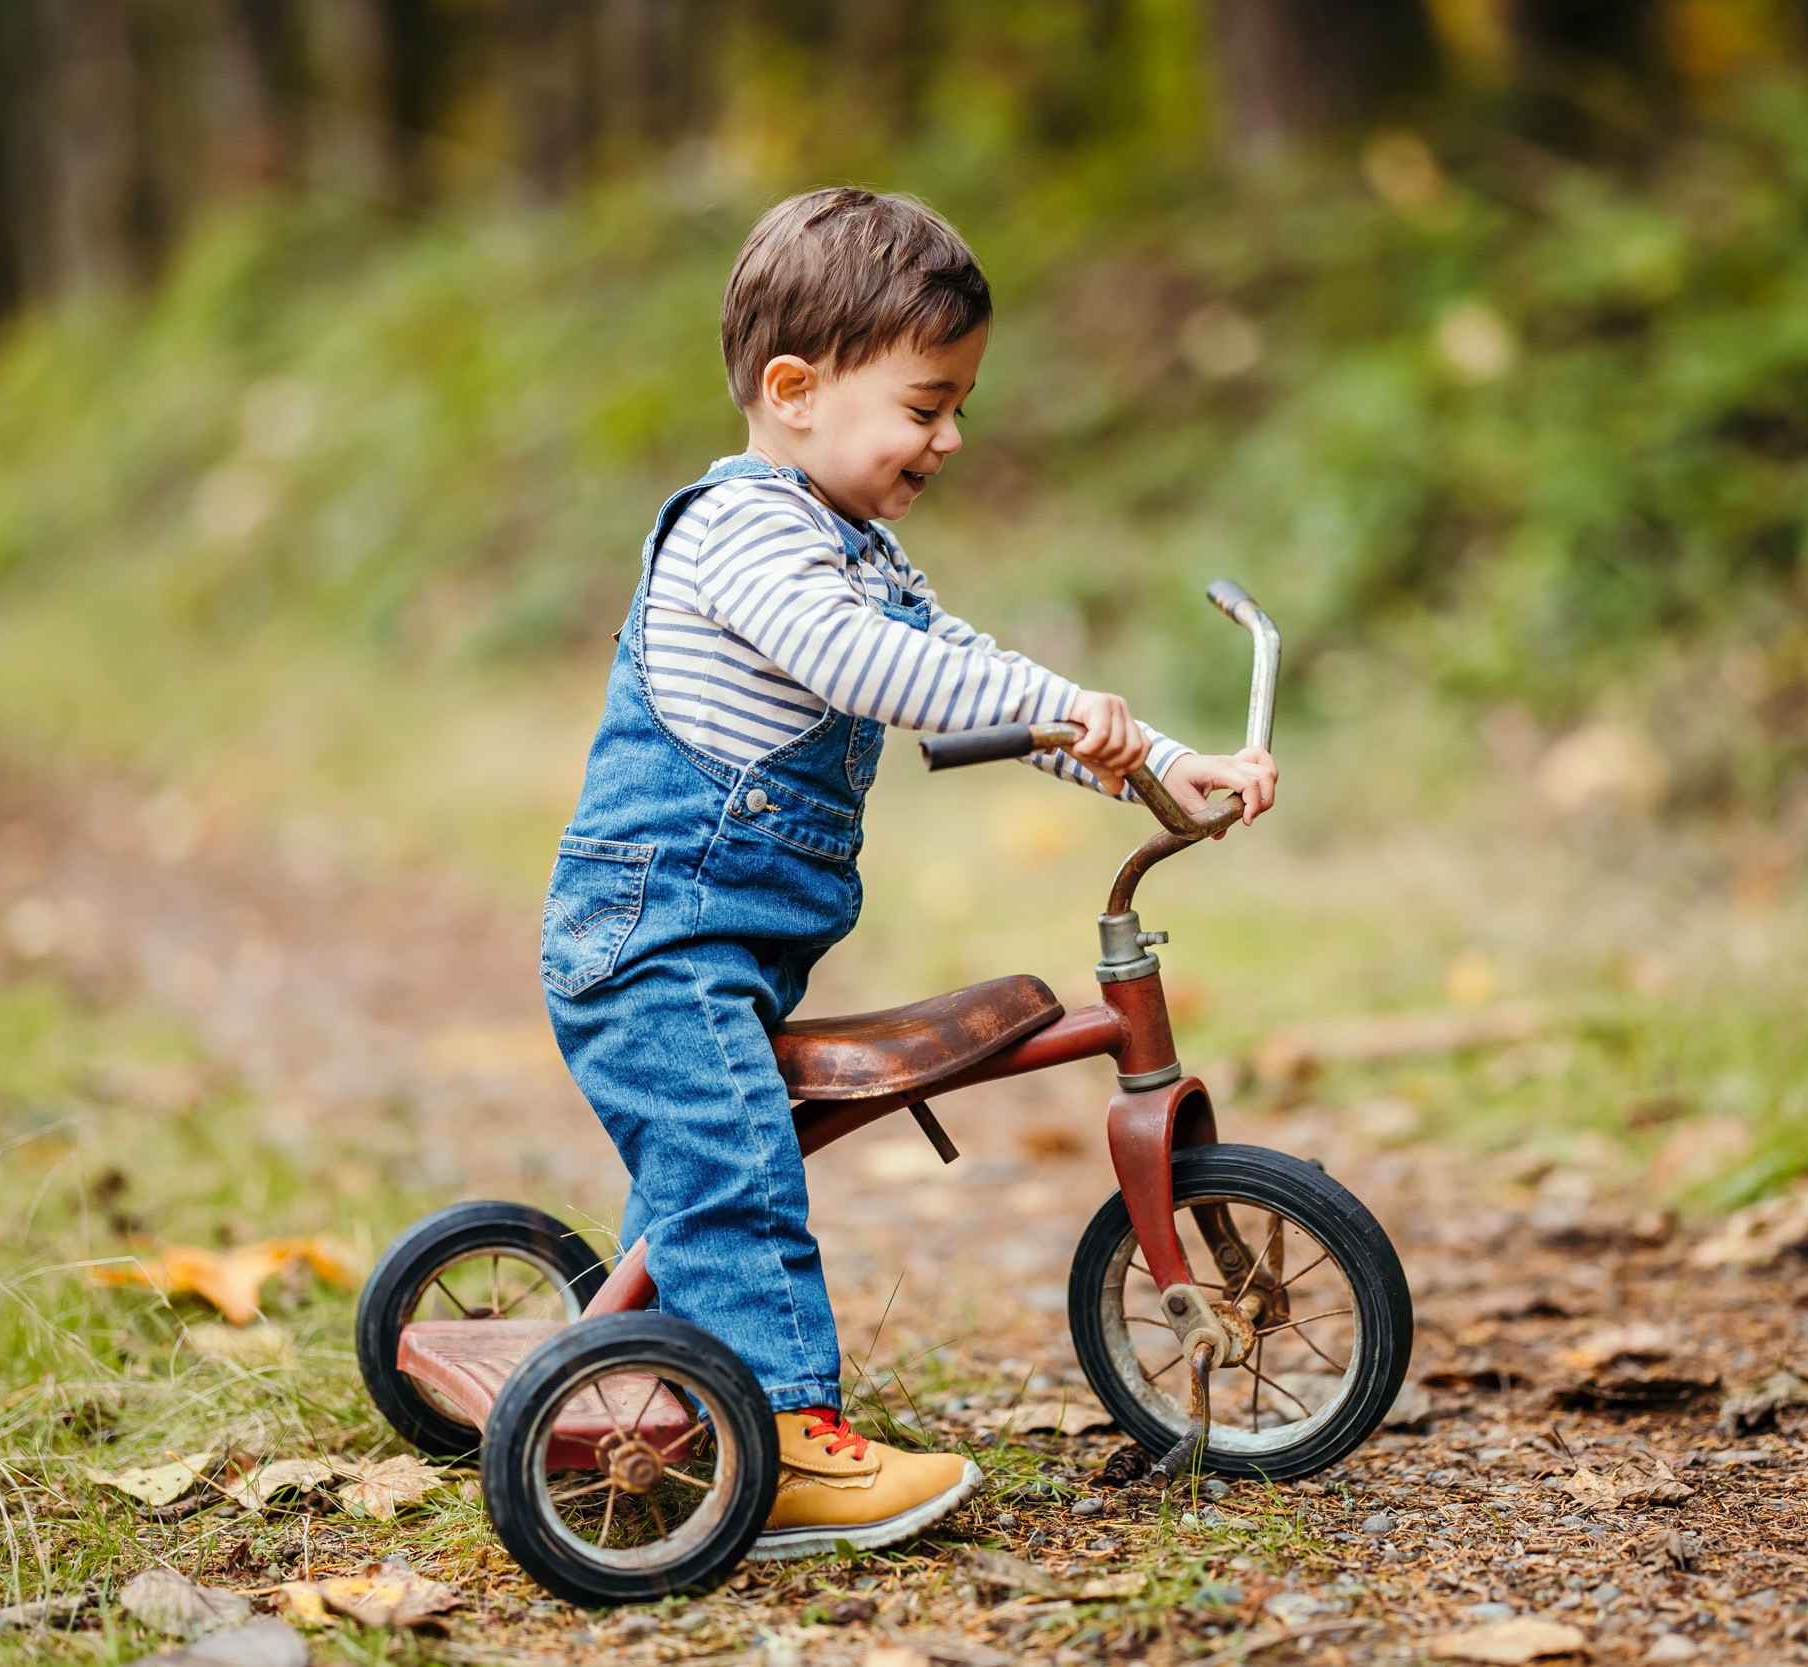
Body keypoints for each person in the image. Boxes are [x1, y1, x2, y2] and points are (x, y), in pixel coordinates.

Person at [541, 186, 1278, 1558]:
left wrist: (1159, 762)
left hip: (723, 940)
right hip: (655, 940)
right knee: (733, 1175)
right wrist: (1075, 718)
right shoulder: (742, 533)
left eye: (962, 405)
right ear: (794, 389)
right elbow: (872, 669)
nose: (952, 436)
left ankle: (637, 1358)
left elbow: (977, 683)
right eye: (927, 404)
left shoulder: (857, 548)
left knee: (707, 1169)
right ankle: (787, 1442)